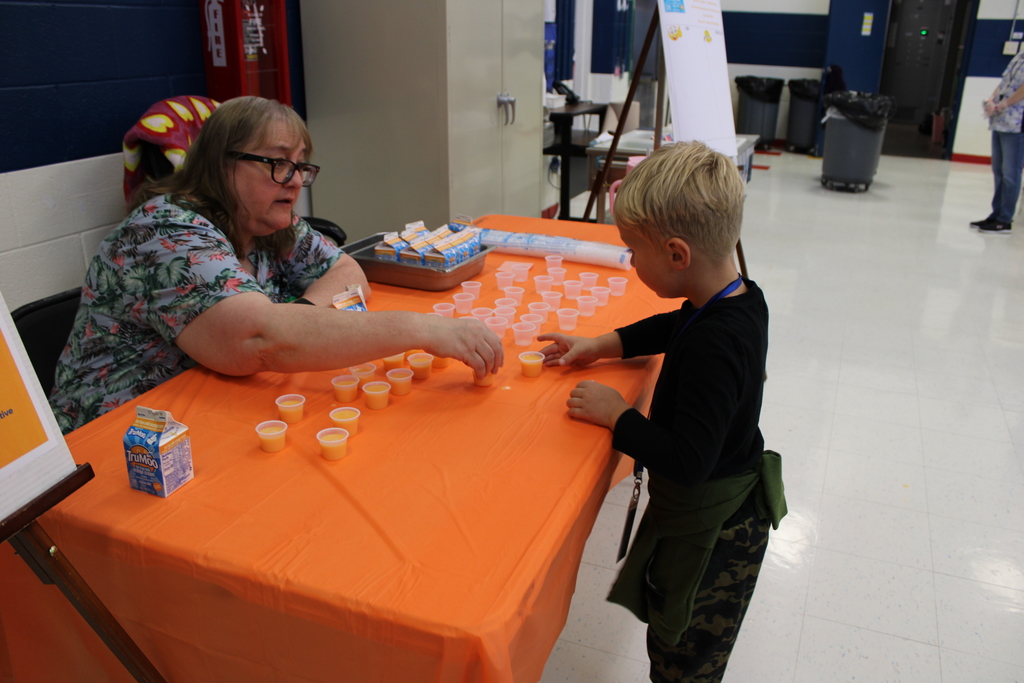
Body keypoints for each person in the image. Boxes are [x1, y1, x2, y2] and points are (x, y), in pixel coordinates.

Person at [50, 96, 503, 433]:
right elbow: (256, 340)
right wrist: (423, 329)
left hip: (210, 413)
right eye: (279, 164)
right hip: (117, 442)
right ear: (221, 165)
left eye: (301, 166)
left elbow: (348, 274)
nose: (295, 182)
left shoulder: (266, 219)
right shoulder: (165, 231)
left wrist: (298, 319)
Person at [537, 142, 786, 682]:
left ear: (676, 255)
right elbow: (677, 326)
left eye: (633, 250)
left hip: (716, 537)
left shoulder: (716, 344)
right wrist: (602, 344)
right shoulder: (738, 297)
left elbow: (688, 461)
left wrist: (618, 415)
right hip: (717, 511)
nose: (630, 261)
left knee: (684, 660)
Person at [971, 48, 1024, 235]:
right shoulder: (1019, 57)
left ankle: (1004, 219)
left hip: (1016, 123)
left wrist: (1006, 104)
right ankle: (996, 214)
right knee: (999, 171)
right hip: (1000, 120)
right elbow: (1004, 83)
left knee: (1011, 173)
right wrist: (991, 100)